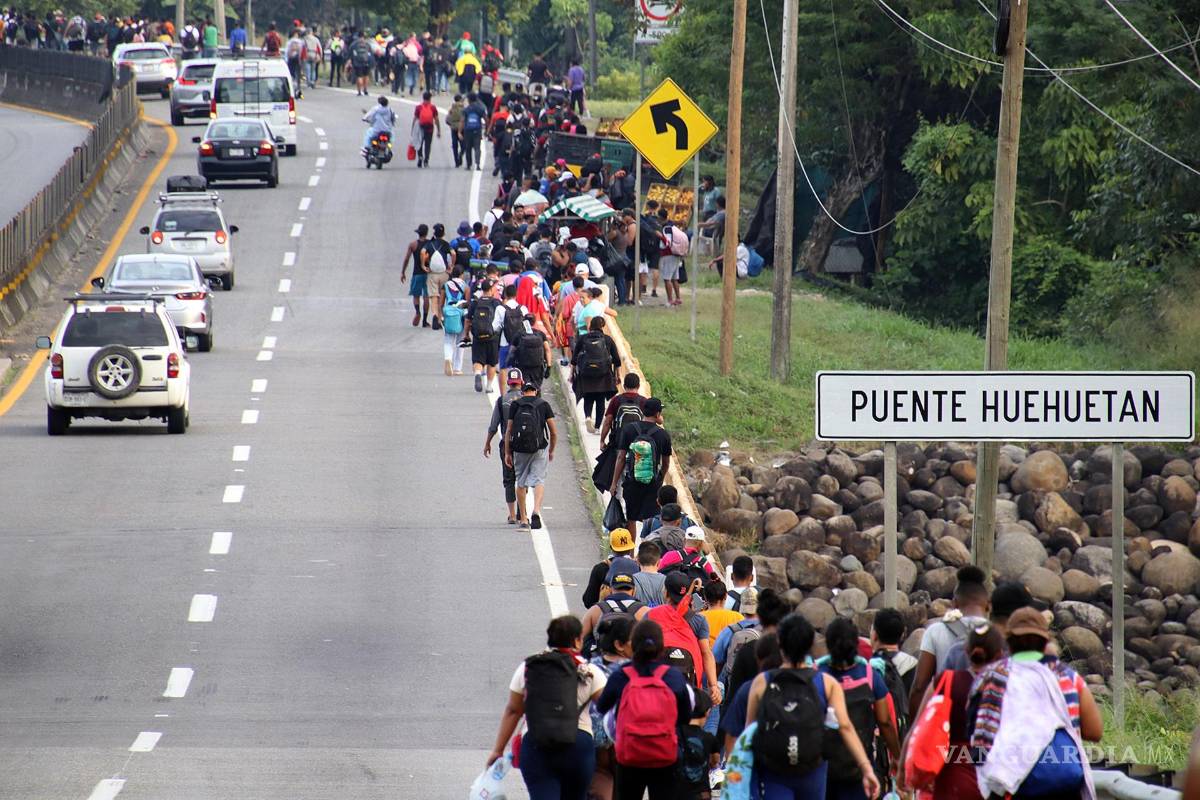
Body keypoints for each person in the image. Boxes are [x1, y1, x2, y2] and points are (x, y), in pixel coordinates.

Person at [969, 607, 1103, 800]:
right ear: (1045, 641)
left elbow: (978, 732)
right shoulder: (1068, 678)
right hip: (1062, 782)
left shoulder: (991, 678)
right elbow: (1094, 731)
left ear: (1008, 641)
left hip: (1011, 786)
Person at [745, 614, 883, 800]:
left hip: (774, 772)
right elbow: (845, 726)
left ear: (780, 643)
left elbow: (749, 733)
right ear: (811, 645)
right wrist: (866, 768)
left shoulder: (762, 682)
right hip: (813, 772)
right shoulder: (826, 683)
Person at [488, 615, 607, 800]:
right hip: (578, 747)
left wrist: (498, 750)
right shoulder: (589, 671)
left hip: (537, 744)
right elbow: (608, 707)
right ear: (577, 640)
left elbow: (513, 710)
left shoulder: (529, 667)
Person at [594, 619, 696, 800]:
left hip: (629, 754)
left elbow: (602, 707)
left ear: (634, 645)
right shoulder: (672, 676)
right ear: (661, 647)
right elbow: (686, 715)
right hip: (664, 753)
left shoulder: (622, 675)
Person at [902, 623, 1003, 800]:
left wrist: (903, 765)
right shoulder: (1006, 686)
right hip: (994, 777)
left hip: (951, 777)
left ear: (965, 650)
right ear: (1000, 655)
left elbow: (917, 727)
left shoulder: (947, 681)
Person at [817, 617, 900, 800]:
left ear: (828, 644)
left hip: (822, 769)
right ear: (856, 643)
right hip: (859, 768)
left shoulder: (817, 674)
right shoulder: (869, 675)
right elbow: (885, 722)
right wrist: (896, 756)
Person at [907, 565, 990, 718]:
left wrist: (914, 730)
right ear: (988, 605)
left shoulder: (936, 631)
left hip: (947, 722)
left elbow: (919, 686)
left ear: (955, 604)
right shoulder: (998, 635)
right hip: (986, 724)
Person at [941, 580, 1035, 673]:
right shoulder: (1026, 658)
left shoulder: (958, 650)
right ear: (1021, 617)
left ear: (989, 608)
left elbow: (939, 685)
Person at [588, 615, 635, 800]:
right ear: (619, 645)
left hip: (593, 741)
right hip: (625, 742)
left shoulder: (589, 666)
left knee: (600, 789)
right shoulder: (635, 671)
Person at [610, 398, 673, 530]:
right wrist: (660, 479)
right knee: (650, 520)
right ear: (657, 414)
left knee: (631, 519)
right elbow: (666, 463)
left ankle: (630, 551)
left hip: (632, 482)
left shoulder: (628, 429)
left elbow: (621, 458)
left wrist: (614, 483)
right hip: (652, 484)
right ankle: (647, 549)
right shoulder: (663, 435)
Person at [503, 381, 557, 530]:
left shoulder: (516, 405)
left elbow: (509, 430)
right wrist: (551, 450)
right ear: (536, 391)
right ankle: (536, 511)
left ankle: (524, 519)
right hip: (539, 448)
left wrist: (508, 452)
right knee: (539, 480)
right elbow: (553, 431)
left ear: (523, 391)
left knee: (520, 481)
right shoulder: (543, 404)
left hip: (519, 449)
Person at [485, 367, 527, 524]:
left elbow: (493, 426)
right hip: (525, 446)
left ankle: (512, 515)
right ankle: (522, 513)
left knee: (509, 479)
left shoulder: (501, 400)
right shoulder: (527, 399)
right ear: (521, 382)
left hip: (507, 445)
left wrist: (487, 443)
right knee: (522, 478)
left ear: (508, 383)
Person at [581, 572, 650, 657]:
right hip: (632, 662)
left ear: (610, 589)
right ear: (634, 590)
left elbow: (579, 638)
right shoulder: (644, 611)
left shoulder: (595, 610)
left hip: (603, 660)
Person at [572, 316, 620, 434]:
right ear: (602, 326)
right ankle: (598, 428)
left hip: (586, 374)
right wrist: (617, 375)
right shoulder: (607, 339)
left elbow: (574, 359)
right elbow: (617, 360)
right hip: (603, 375)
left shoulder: (583, 339)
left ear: (591, 326)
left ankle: (588, 417)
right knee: (600, 401)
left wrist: (571, 373)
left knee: (588, 398)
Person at [583, 528, 638, 609]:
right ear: (630, 548)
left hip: (606, 615)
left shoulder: (600, 568)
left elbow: (588, 600)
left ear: (611, 547)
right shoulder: (638, 567)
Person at [598, 372, 646, 450]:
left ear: (624, 386)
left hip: (619, 441)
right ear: (638, 386)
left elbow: (608, 421)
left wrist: (602, 441)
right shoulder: (644, 401)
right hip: (638, 442)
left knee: (610, 460)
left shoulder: (616, 400)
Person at [440, 266, 470, 375]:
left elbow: (441, 302)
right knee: (460, 341)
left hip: (448, 314)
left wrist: (441, 316)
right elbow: (467, 303)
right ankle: (457, 368)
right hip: (461, 315)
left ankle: (448, 358)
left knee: (448, 339)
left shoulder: (446, 285)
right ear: (462, 274)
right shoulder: (465, 286)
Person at [400, 224, 431, 327]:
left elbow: (406, 259)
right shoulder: (430, 244)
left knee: (416, 295)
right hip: (428, 273)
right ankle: (425, 320)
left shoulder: (413, 245)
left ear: (418, 233)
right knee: (426, 296)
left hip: (417, 273)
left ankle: (418, 312)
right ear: (426, 233)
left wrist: (403, 272)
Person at [512, 315, 552, 393]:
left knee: (524, 387)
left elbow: (512, 351)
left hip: (523, 366)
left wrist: (512, 364)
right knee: (536, 387)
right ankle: (537, 401)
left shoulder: (519, 334)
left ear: (523, 322)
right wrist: (549, 367)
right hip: (537, 366)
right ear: (534, 322)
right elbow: (547, 350)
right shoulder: (540, 334)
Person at [631, 541, 666, 609]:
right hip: (660, 618)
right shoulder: (666, 580)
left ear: (638, 561)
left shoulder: (631, 580)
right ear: (659, 562)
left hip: (638, 618)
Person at [411, 90, 441, 168]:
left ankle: (420, 157)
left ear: (423, 98)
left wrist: (412, 129)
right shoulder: (433, 107)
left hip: (420, 128)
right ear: (430, 98)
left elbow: (415, 119)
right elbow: (436, 119)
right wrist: (438, 130)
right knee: (428, 145)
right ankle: (426, 160)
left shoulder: (419, 107)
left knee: (419, 143)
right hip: (430, 128)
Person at [460, 92, 488, 171]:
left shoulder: (466, 109)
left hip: (468, 131)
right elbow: (486, 119)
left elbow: (462, 121)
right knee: (477, 148)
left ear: (468, 100)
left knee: (468, 148)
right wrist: (486, 130)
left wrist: (459, 131)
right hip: (477, 130)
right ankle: (478, 164)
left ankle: (468, 165)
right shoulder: (480, 109)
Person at [348, 31, 374, 96]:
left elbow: (350, 53)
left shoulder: (354, 44)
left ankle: (359, 91)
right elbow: (371, 54)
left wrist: (350, 61)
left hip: (357, 62)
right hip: (367, 62)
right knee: (366, 76)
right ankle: (365, 90)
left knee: (359, 76)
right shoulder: (367, 44)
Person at [446, 95, 465, 167]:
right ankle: (460, 155)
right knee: (464, 145)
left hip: (453, 129)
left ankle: (456, 161)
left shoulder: (451, 108)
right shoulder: (463, 108)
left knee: (454, 145)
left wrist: (451, 124)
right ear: (460, 100)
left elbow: (447, 120)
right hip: (462, 129)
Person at [285, 29, 305, 96]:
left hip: (291, 59)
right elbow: (303, 51)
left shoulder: (289, 42)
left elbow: (286, 52)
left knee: (292, 74)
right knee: (298, 74)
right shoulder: (301, 42)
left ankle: (292, 88)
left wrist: (286, 60)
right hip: (298, 60)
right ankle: (298, 88)